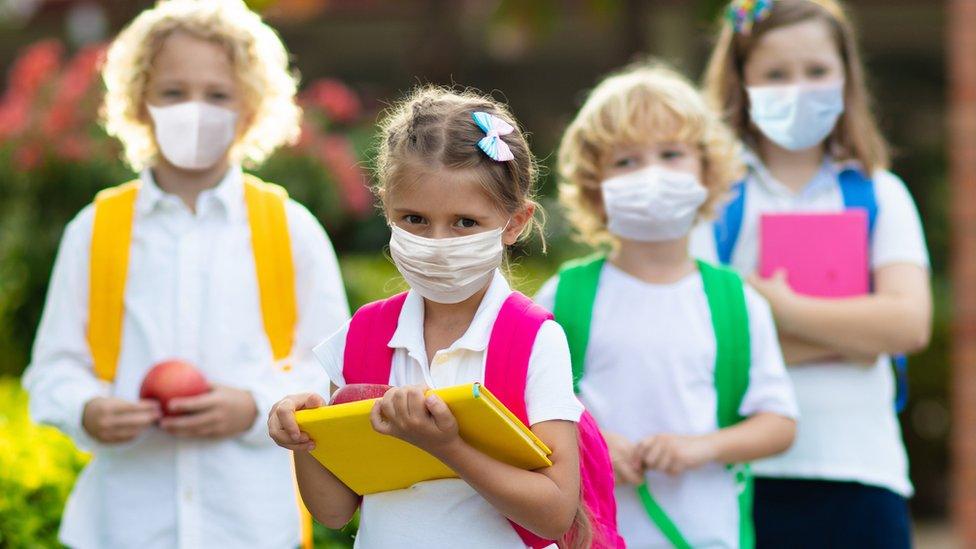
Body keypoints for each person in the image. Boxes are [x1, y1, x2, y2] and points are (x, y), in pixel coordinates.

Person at [22, 1, 349, 547]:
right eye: (173, 92)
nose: (194, 109)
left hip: (251, 526)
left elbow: (331, 370)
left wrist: (253, 405)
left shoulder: (291, 228)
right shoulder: (95, 229)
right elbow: (53, 367)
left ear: (249, 107)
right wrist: (87, 410)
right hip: (120, 526)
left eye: (218, 94)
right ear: (139, 103)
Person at [269, 87, 593, 548]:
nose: (438, 242)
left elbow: (555, 513)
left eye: (464, 223)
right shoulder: (363, 337)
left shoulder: (532, 340)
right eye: (415, 219)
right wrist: (306, 436)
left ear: (514, 222)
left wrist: (446, 446)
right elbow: (335, 509)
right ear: (387, 208)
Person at [695, 0, 932, 546]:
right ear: (742, 80)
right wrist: (854, 339)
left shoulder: (881, 192)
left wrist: (781, 311)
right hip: (740, 472)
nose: (798, 87)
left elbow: (908, 325)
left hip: (863, 472)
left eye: (817, 71)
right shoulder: (713, 200)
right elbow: (705, 337)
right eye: (777, 74)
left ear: (847, 78)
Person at [535, 63, 798, 548]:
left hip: (708, 534)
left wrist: (701, 448)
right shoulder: (563, 297)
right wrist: (588, 443)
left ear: (708, 170)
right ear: (595, 188)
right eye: (626, 161)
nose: (651, 173)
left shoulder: (737, 300)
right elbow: (520, 407)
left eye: (671, 154)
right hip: (592, 535)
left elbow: (778, 423)